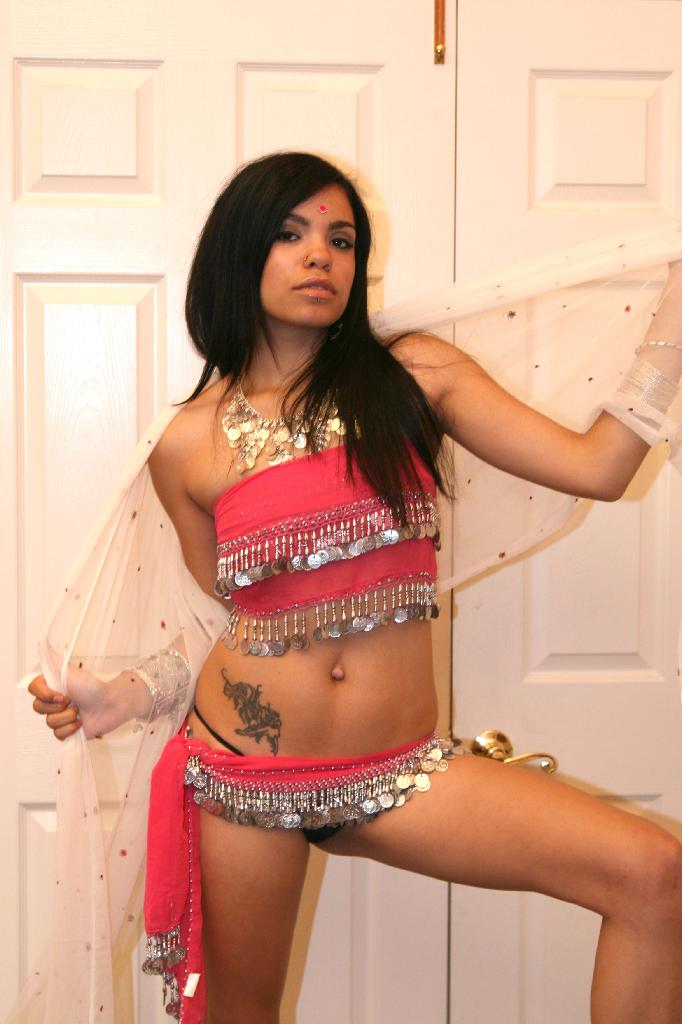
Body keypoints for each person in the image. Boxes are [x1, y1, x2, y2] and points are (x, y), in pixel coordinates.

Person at [27, 152, 682, 1024]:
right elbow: (225, 618)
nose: (320, 255)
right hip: (246, 774)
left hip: (396, 769)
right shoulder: (184, 444)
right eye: (291, 234)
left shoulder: (412, 375)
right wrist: (132, 693)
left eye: (341, 240)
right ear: (238, 253)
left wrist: (672, 325)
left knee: (653, 875)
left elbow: (599, 467)